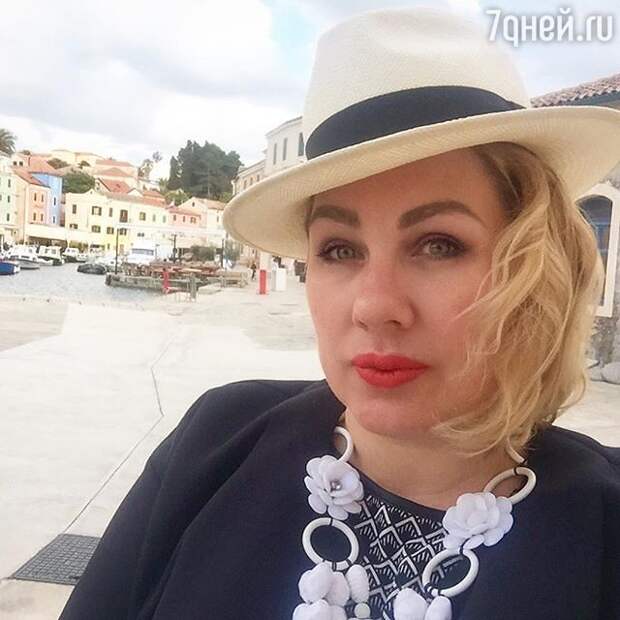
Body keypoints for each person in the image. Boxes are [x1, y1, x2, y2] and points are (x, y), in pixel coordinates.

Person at [59, 7, 620, 620]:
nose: (375, 306)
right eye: (339, 250)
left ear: (534, 268)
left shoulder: (601, 528)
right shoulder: (216, 445)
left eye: (439, 245)